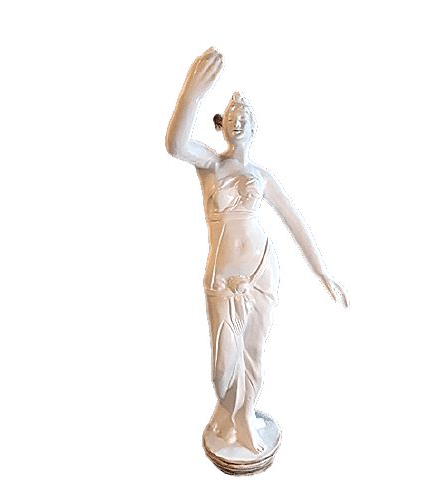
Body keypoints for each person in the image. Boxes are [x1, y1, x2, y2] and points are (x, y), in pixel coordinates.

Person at [166, 46, 349, 454]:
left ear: (255, 127)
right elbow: (176, 145)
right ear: (222, 127)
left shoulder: (263, 176)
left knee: (253, 352)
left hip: (261, 270)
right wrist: (191, 94)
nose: (238, 120)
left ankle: (245, 419)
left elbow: (295, 221)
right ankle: (228, 411)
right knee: (222, 368)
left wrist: (323, 272)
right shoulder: (211, 165)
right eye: (232, 116)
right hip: (222, 276)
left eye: (245, 116)